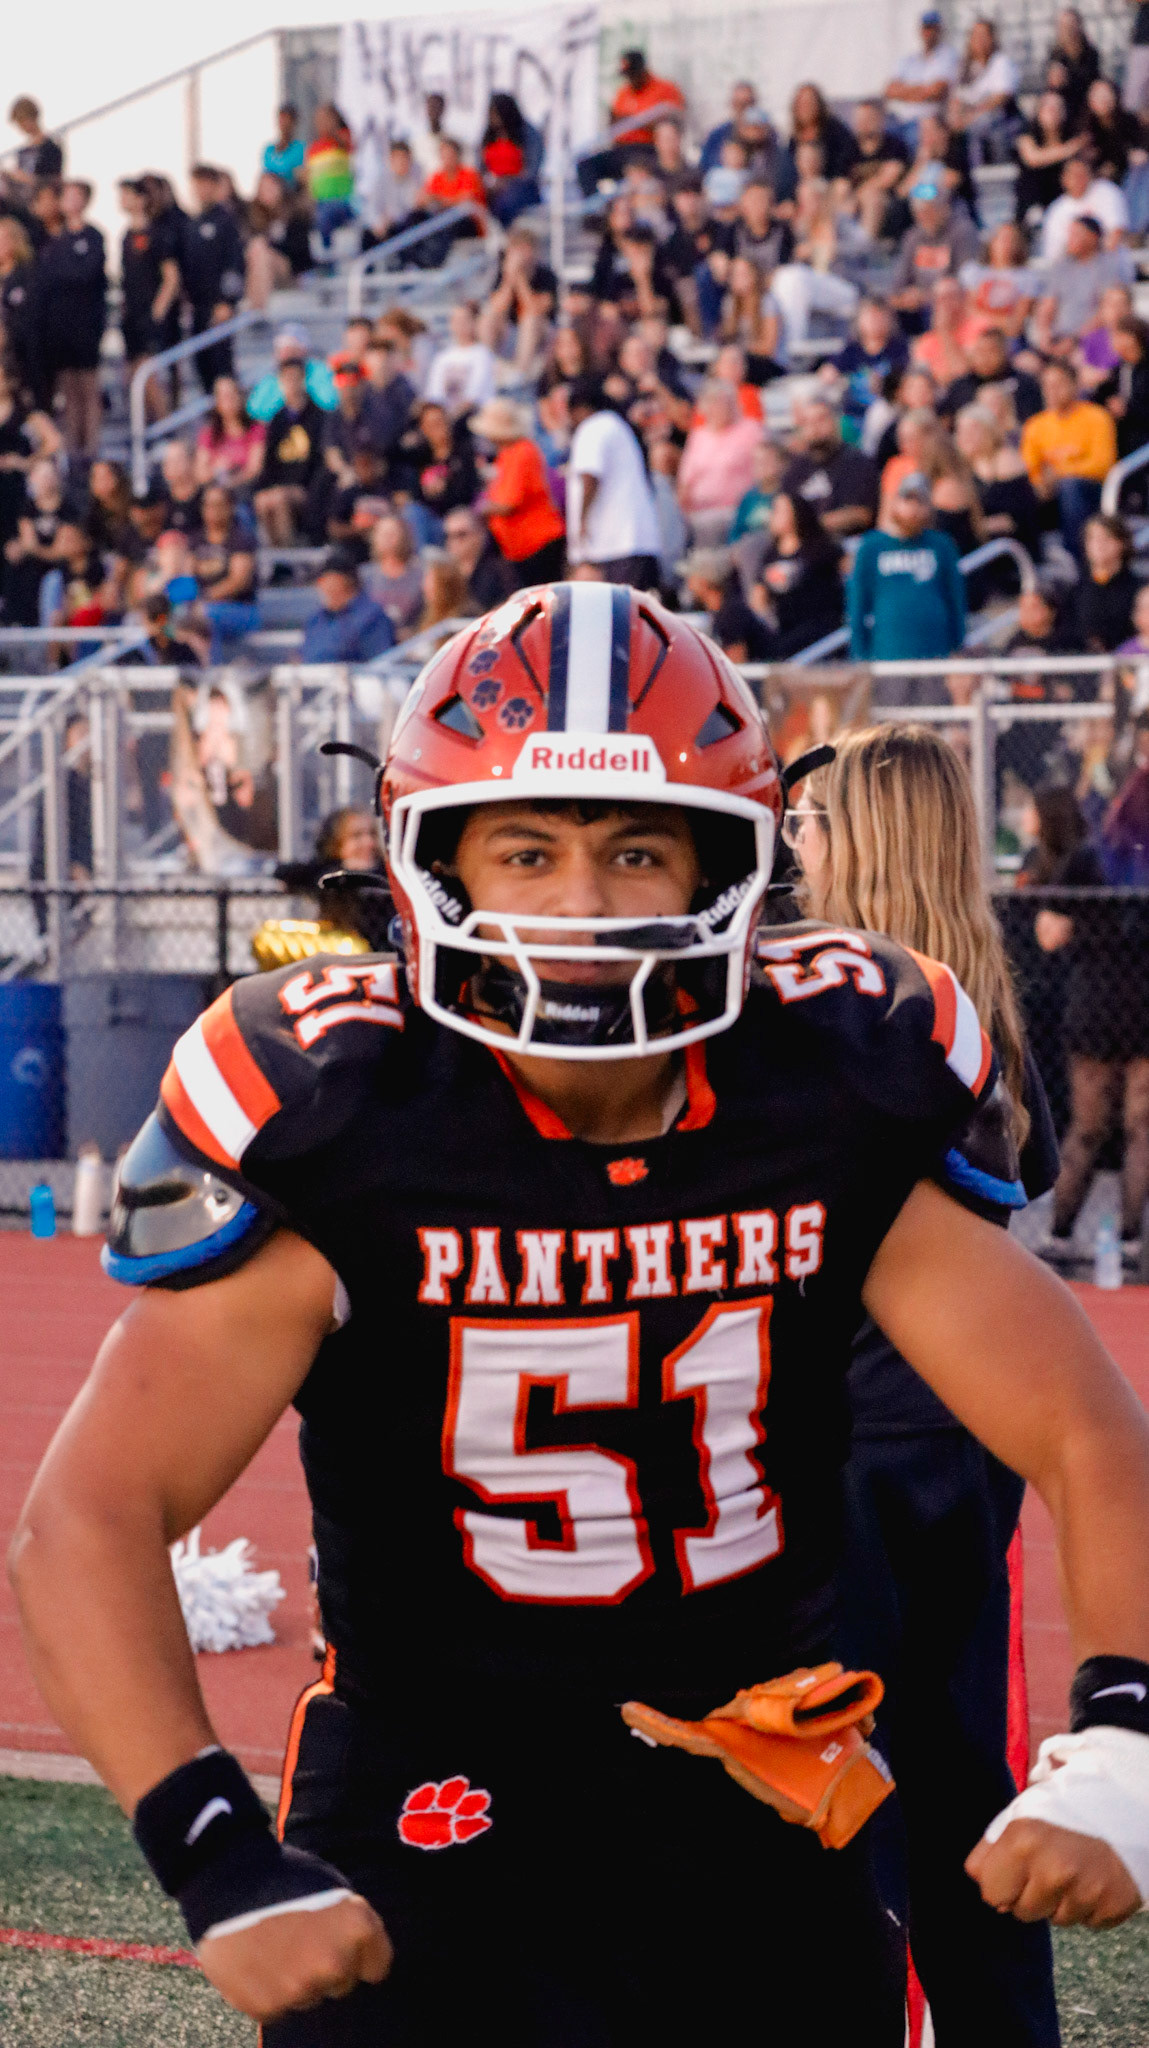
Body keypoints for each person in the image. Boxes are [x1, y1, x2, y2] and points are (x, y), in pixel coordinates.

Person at [14, 585, 1149, 2048]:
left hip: (758, 1774)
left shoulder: (828, 1081)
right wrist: (213, 1846)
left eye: (635, 850)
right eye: (527, 849)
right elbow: (88, 1516)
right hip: (433, 1781)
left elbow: (1085, 1427)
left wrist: (1123, 1736)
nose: (583, 906)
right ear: (430, 857)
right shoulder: (347, 1111)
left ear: (730, 862)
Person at [785, 725, 1061, 2048]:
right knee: (960, 1775)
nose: (790, 845)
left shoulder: (831, 1018)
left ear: (860, 841)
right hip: (966, 1435)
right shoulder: (977, 1006)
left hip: (841, 1442)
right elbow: (1036, 1169)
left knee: (822, 1778)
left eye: (808, 824)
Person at [1020, 782, 1148, 1260]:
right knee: (1141, 1128)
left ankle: (1060, 1234)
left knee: (1087, 1128)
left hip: (1095, 1000)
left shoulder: (1089, 859)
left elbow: (1048, 934)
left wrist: (1082, 927)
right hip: (1141, 1001)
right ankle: (1131, 1240)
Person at [849, 472, 966, 676]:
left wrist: (958, 646)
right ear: (895, 503)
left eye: (920, 502)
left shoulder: (942, 545)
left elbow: (956, 599)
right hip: (888, 658)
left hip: (936, 656)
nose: (913, 509)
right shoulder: (871, 546)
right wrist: (860, 654)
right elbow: (857, 604)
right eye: (907, 500)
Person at [565, 376, 662, 587]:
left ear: (580, 409)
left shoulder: (593, 427)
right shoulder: (617, 425)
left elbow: (590, 476)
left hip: (613, 545)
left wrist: (581, 521)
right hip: (635, 541)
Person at [35, 179, 106, 456]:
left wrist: (65, 276)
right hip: (60, 326)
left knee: (88, 388)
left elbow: (86, 274)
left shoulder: (93, 236)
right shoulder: (54, 240)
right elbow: (46, 278)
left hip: (86, 325)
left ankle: (91, 447)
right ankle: (75, 448)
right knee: (70, 391)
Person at [1020, 358, 1117, 558]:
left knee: (1070, 486)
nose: (1052, 391)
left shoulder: (1096, 416)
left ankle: (1078, 556)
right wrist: (1042, 482)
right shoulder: (1035, 425)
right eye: (1047, 386)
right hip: (1051, 494)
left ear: (1074, 384)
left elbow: (1102, 465)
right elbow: (1029, 468)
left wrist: (1059, 474)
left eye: (1059, 384)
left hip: (1092, 490)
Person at [470, 397, 565, 590]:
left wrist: (482, 508)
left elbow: (507, 504)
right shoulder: (507, 454)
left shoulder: (521, 452)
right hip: (524, 547)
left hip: (537, 543)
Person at [749, 488, 844, 655]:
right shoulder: (770, 555)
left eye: (779, 510)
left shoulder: (820, 548)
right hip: (787, 629)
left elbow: (848, 570)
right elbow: (758, 596)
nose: (773, 516)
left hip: (821, 628)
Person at [180, 167, 246, 393]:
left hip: (218, 305)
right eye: (196, 184)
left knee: (221, 362)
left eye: (205, 184)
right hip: (197, 305)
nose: (200, 190)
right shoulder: (191, 223)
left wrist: (227, 301)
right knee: (202, 362)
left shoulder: (225, 221)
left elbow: (234, 263)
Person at [1032, 214, 1134, 357]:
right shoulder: (1061, 266)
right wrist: (1044, 334)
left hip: (1091, 340)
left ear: (1093, 237)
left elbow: (1107, 310)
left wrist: (1075, 339)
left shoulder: (1108, 265)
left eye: (1075, 234)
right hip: (1058, 338)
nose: (1069, 239)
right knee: (1025, 363)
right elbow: (1047, 305)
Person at [676, 381, 763, 547]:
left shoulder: (750, 431)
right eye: (714, 403)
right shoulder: (699, 436)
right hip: (699, 514)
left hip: (737, 512)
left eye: (724, 402)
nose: (720, 408)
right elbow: (685, 480)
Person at [782, 393, 880, 539]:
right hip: (804, 542)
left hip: (847, 540)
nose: (814, 427)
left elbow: (862, 514)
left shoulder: (857, 462)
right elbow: (784, 510)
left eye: (821, 419)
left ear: (835, 421)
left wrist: (813, 525)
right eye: (807, 422)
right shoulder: (796, 468)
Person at [253, 358, 329, 546]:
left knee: (280, 499)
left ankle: (288, 552)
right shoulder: (277, 420)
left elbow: (321, 461)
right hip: (281, 485)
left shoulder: (319, 417)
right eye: (287, 379)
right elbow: (269, 463)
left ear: (304, 379)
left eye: (296, 378)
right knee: (263, 500)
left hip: (307, 486)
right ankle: (276, 550)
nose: (292, 384)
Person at [192, 482, 259, 664]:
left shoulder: (241, 540)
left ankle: (211, 671)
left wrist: (204, 597)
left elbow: (239, 581)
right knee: (166, 617)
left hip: (241, 608)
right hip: (200, 607)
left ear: (230, 507)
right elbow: (187, 576)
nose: (212, 510)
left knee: (205, 616)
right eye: (207, 505)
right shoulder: (196, 540)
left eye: (217, 504)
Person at [299, 546, 395, 663]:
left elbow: (379, 662)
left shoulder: (371, 617)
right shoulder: (315, 620)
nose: (321, 586)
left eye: (325, 580)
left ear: (345, 580)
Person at [948, 18, 1021, 167]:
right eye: (975, 35)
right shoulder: (964, 68)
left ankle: (978, 170)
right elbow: (957, 98)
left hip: (1001, 120)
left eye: (984, 35)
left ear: (992, 38)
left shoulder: (1001, 62)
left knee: (979, 125)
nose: (979, 40)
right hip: (970, 118)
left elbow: (1000, 97)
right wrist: (955, 118)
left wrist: (971, 116)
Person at [885, 11, 961, 140]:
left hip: (927, 121)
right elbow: (889, 90)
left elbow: (937, 91)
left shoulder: (948, 56)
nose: (929, 32)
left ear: (939, 30)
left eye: (932, 28)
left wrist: (904, 92)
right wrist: (923, 90)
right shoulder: (910, 59)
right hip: (900, 118)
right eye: (926, 28)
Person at [1071, 512, 1142, 651]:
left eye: (1106, 538)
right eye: (1092, 538)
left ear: (1122, 543)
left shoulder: (1138, 590)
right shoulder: (1075, 591)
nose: (1099, 545)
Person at [1040, 156, 1129, 262]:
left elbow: (1116, 232)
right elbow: (1054, 254)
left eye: (1082, 174)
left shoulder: (1106, 191)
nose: (1079, 180)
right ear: (1064, 179)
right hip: (1073, 266)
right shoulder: (1057, 210)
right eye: (1074, 175)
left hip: (1109, 262)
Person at [1015, 91, 1087, 220]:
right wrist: (1068, 149)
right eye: (1048, 107)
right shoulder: (1026, 135)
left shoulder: (1072, 135)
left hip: (1064, 199)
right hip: (1034, 199)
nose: (1053, 111)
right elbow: (1033, 158)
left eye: (1058, 107)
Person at [424, 301, 496, 419]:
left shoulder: (483, 354)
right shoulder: (442, 357)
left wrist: (452, 417)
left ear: (474, 322)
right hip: (445, 418)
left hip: (474, 418)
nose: (460, 325)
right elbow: (434, 394)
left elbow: (474, 395)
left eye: (464, 320)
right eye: (456, 320)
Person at [194, 377, 266, 493]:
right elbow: (201, 473)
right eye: (224, 396)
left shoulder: (255, 429)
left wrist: (231, 477)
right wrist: (218, 470)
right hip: (218, 490)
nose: (230, 401)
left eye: (232, 394)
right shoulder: (209, 434)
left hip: (248, 489)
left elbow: (254, 469)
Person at [305, 104, 356, 252]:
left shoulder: (343, 139)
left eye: (326, 119)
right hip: (319, 202)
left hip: (342, 201)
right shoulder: (313, 148)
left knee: (326, 215)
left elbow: (348, 146)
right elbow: (310, 176)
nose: (322, 123)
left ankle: (327, 252)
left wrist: (334, 129)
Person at [363, 514, 425, 637]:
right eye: (383, 534)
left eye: (392, 534)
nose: (387, 539)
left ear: (404, 537)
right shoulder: (364, 576)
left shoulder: (422, 574)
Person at [1096, 315, 1149, 457]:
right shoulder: (1117, 370)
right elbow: (1101, 399)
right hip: (1123, 441)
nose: (1112, 341)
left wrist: (1127, 409)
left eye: (1117, 335)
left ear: (1132, 338)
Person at [442, 505, 508, 612]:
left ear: (481, 533)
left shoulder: (500, 571)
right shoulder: (446, 576)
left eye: (461, 535)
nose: (453, 542)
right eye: (448, 536)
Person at [264, 104, 306, 186]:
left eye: (287, 120)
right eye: (281, 119)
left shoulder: (300, 149)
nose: (283, 124)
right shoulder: (269, 150)